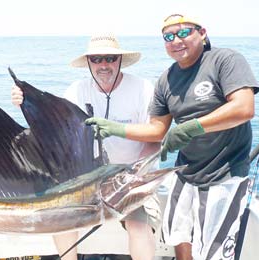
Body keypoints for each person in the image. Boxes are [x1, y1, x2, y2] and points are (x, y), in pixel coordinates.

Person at [85, 14, 259, 260]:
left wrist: (191, 127)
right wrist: (114, 128)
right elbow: (157, 130)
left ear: (202, 33)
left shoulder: (225, 59)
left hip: (225, 175)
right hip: (185, 174)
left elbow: (243, 108)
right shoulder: (166, 79)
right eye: (168, 36)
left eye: (183, 32)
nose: (176, 40)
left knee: (214, 253)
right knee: (180, 240)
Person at [11, 34, 161, 260]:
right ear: (89, 63)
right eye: (96, 59)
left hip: (132, 180)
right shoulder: (77, 90)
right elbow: (58, 134)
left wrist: (133, 176)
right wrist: (26, 103)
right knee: (60, 219)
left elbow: (154, 138)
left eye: (109, 58)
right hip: (90, 182)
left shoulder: (142, 88)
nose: (103, 65)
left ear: (119, 61)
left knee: (138, 225)